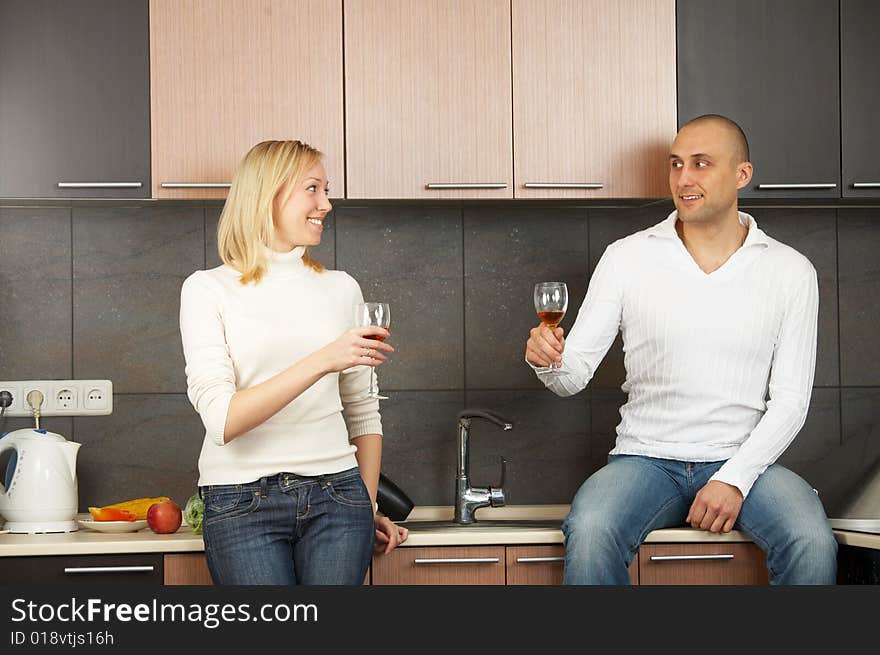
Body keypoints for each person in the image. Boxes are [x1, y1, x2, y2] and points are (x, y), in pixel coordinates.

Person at [524, 115, 838, 585]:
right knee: (590, 529)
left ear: (742, 175)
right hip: (643, 459)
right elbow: (573, 375)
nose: (683, 179)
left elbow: (791, 401)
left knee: (812, 542)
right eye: (675, 165)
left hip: (745, 458)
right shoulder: (626, 257)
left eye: (701, 164)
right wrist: (547, 360)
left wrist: (733, 478)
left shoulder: (790, 271)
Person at [179, 140, 408, 585]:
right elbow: (223, 420)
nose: (326, 203)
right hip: (240, 501)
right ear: (269, 194)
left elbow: (363, 412)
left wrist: (366, 505)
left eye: (327, 190)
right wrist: (323, 359)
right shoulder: (207, 290)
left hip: (338, 499)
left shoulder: (342, 289)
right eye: (313, 189)